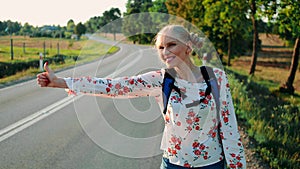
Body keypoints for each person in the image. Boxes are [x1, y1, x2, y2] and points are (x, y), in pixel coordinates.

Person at [37, 25, 246, 169]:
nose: (165, 52)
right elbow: (113, 86)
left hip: (211, 164)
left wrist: (237, 165)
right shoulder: (160, 80)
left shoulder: (216, 78)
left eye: (171, 45)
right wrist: (61, 82)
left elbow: (228, 126)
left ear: (188, 47)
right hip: (173, 164)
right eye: (161, 48)